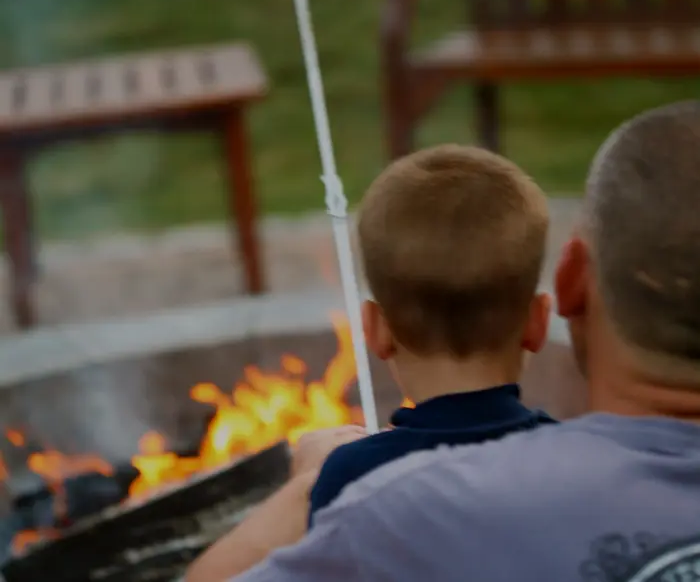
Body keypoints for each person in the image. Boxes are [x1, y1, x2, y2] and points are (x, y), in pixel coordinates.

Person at [218, 101, 700, 581]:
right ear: (537, 320)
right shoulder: (551, 453)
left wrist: (306, 488)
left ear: (571, 281)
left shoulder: (389, 508)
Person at [186, 144, 555, 581]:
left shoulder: (353, 477)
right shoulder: (571, 457)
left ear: (375, 329)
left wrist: (304, 488)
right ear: (538, 322)